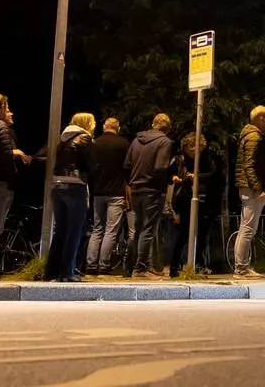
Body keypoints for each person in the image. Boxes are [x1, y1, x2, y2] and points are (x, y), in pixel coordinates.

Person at [45, 113, 98, 282]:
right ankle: (67, 272)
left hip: (57, 185)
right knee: (74, 231)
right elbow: (91, 164)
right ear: (87, 123)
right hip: (75, 186)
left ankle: (51, 271)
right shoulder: (85, 138)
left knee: (60, 229)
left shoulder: (63, 139)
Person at [233, 105, 265, 278]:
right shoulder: (254, 137)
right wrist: (259, 188)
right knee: (247, 228)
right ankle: (241, 268)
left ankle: (242, 266)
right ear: (261, 119)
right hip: (251, 188)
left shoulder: (250, 136)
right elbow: (250, 165)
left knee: (246, 227)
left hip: (248, 186)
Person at [125, 113, 174, 278]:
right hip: (152, 190)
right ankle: (140, 268)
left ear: (153, 124)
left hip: (136, 188)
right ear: (168, 128)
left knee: (137, 229)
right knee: (148, 229)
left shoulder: (136, 140)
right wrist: (164, 184)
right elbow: (161, 167)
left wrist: (133, 181)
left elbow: (127, 164)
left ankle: (131, 266)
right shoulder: (164, 142)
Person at [86, 117, 131, 275]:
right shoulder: (124, 144)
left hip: (98, 192)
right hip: (116, 192)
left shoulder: (94, 143)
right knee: (111, 230)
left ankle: (91, 264)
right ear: (118, 128)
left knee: (97, 228)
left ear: (104, 127)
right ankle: (104, 264)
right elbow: (127, 167)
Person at [0, 93, 30, 279]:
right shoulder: (0, 127)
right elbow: (5, 157)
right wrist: (13, 179)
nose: (10, 112)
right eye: (7, 108)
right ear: (0, 108)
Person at [169, 133, 216, 276]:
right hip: (185, 198)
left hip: (201, 197)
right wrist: (175, 178)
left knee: (202, 234)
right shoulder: (179, 160)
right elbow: (169, 174)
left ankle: (199, 264)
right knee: (184, 233)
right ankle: (175, 266)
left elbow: (212, 174)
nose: (194, 153)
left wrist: (197, 177)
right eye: (192, 149)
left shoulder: (205, 158)